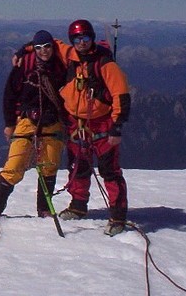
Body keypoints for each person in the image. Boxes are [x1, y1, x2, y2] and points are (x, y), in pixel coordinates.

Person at [55, 19, 131, 236]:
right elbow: (51, 42)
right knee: (78, 168)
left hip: (102, 125)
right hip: (76, 124)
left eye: (85, 38)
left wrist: (117, 126)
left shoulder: (105, 64)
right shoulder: (70, 56)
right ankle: (78, 206)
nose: (81, 43)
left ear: (92, 38)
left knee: (110, 172)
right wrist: (25, 50)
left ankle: (118, 216)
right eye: (77, 39)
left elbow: (121, 95)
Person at [0, 30, 67, 224]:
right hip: (28, 121)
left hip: (52, 122)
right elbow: (10, 96)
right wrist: (9, 124)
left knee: (49, 167)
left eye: (47, 47)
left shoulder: (61, 65)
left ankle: (44, 210)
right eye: (39, 48)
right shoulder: (24, 66)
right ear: (34, 49)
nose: (44, 51)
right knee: (14, 166)